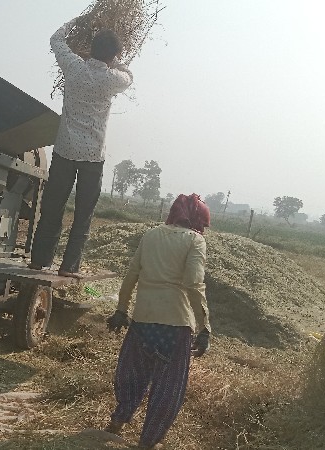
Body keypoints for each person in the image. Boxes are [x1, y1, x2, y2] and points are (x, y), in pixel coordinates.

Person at [104, 193, 212, 449]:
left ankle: (118, 421)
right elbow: (193, 284)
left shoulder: (151, 235)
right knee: (168, 387)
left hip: (142, 321)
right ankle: (148, 442)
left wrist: (121, 310)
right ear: (198, 220)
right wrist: (205, 326)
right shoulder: (195, 242)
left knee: (132, 375)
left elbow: (131, 275)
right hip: (175, 327)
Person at [29, 16, 133, 277]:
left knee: (53, 206)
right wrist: (114, 60)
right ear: (112, 56)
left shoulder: (73, 67)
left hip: (65, 149)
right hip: (93, 155)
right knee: (84, 213)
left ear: (91, 48)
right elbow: (129, 76)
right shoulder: (112, 79)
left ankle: (39, 261)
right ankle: (69, 266)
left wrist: (77, 21)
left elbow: (56, 40)